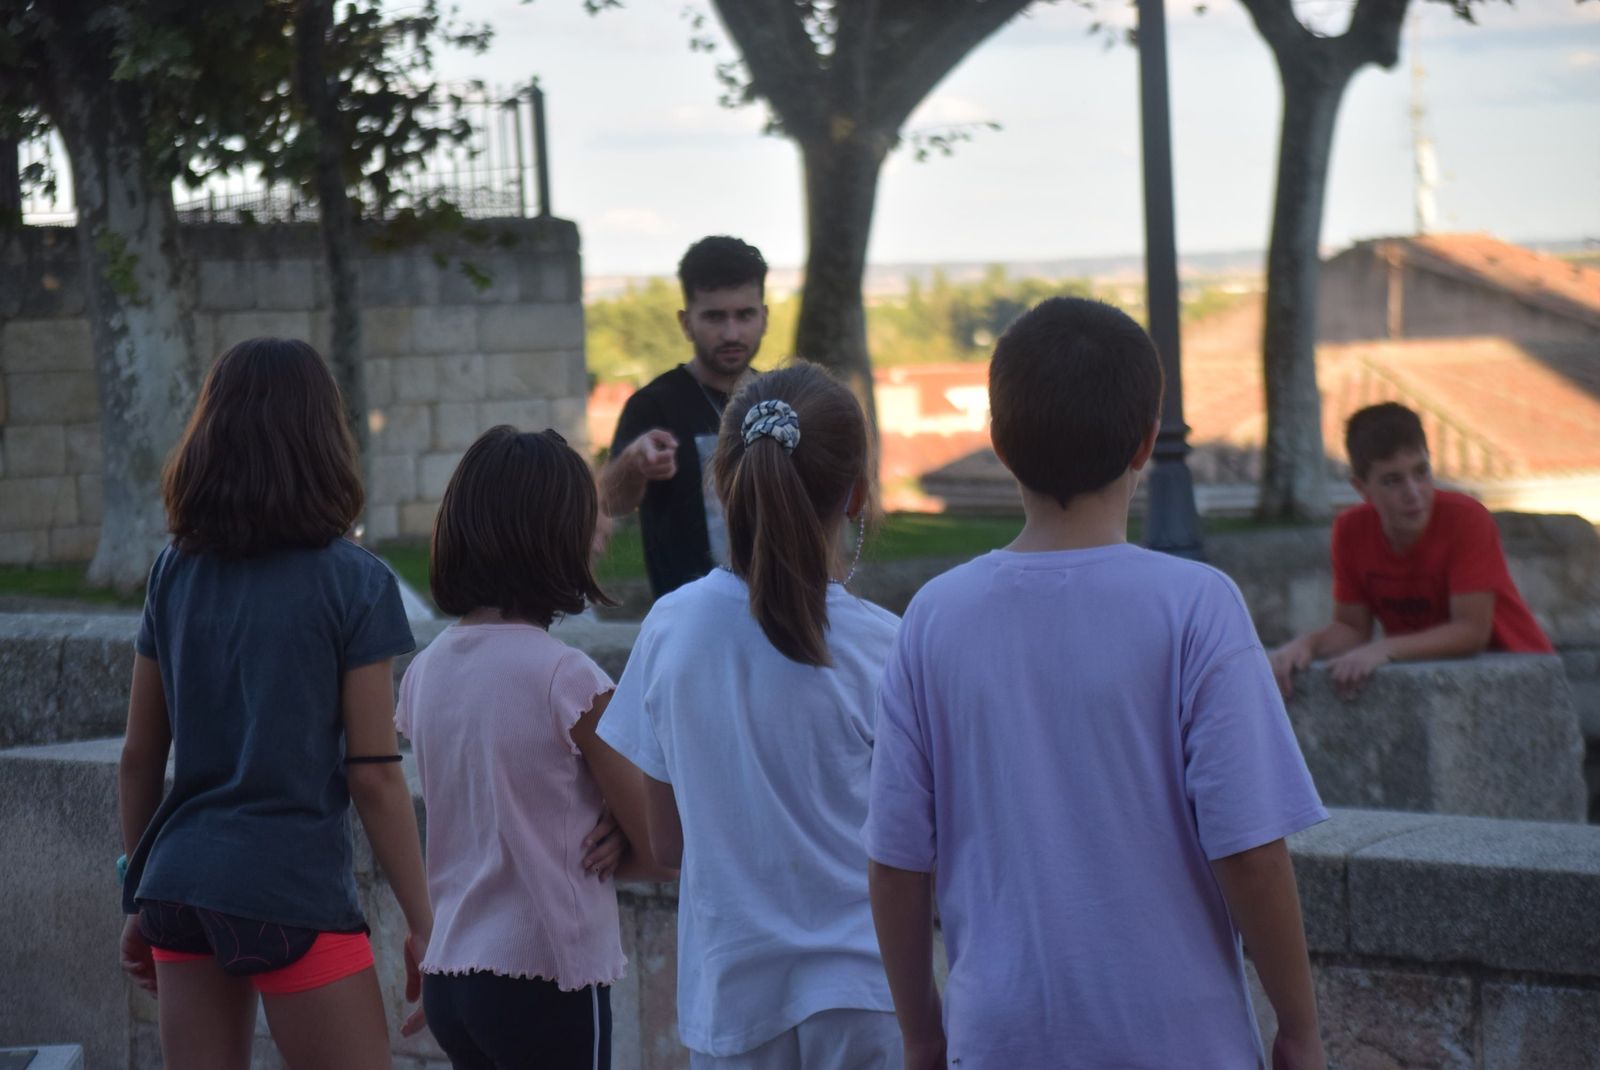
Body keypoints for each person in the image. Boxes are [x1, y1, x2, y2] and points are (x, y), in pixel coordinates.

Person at [866, 298, 1330, 1070]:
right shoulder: (1197, 606)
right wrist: (1300, 1029)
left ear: (999, 443)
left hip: (1001, 1038)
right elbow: (1250, 851)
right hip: (1179, 1041)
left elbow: (896, 863)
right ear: (1147, 441)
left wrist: (921, 1035)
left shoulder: (934, 617)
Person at [118, 338, 430, 1070]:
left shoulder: (173, 572)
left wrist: (137, 894)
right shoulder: (356, 583)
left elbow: (139, 756)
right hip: (290, 888)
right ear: (324, 438)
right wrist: (426, 924)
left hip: (180, 884)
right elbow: (374, 773)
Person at [597, 364, 903, 1069]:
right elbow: (918, 847)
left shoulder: (672, 629)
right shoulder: (889, 646)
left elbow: (668, 845)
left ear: (722, 482)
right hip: (866, 991)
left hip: (734, 996)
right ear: (856, 494)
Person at [397, 425, 673, 1069]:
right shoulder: (567, 678)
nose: (602, 532)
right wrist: (618, 841)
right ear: (554, 538)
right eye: (589, 518)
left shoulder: (425, 670)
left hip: (453, 976)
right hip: (545, 974)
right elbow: (662, 850)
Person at [1269, 401, 1554, 699]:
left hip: (1523, 681)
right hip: (1437, 689)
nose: (1413, 492)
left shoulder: (1466, 518)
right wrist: (1305, 646)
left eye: (1421, 472)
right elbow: (1351, 629)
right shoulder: (1350, 530)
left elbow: (1471, 632)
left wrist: (1384, 648)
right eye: (1393, 481)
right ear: (1361, 488)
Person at [601, 235, 769, 598]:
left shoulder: (781, 398)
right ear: (686, 322)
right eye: (714, 317)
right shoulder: (653, 405)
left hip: (777, 611)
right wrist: (634, 461)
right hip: (686, 615)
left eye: (745, 315)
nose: (731, 333)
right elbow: (612, 503)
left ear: (764, 317)